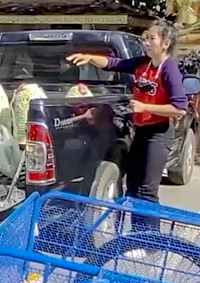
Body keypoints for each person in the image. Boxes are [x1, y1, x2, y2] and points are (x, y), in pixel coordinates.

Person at [67, 20, 187, 216]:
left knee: (147, 190)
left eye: (151, 38)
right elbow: (114, 64)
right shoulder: (142, 63)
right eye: (145, 38)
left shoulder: (169, 68)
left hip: (159, 133)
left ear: (165, 43)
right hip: (140, 130)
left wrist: (144, 107)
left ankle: (149, 239)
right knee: (132, 186)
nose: (146, 42)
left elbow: (179, 108)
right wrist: (89, 57)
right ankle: (132, 235)